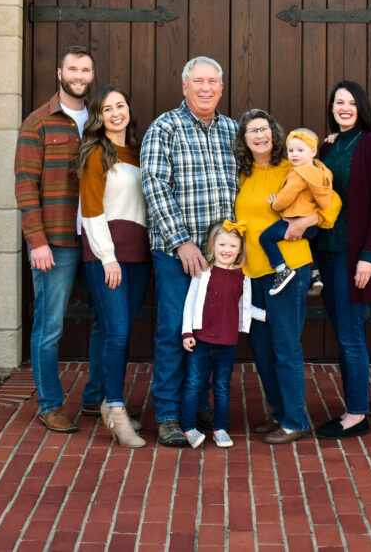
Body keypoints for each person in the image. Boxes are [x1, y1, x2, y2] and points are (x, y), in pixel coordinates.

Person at [140, 56, 239, 447]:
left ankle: (193, 405)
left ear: (221, 88)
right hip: (176, 253)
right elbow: (154, 186)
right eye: (197, 81)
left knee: (210, 335)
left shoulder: (233, 130)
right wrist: (182, 242)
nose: (205, 88)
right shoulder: (165, 128)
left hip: (220, 262)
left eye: (212, 81)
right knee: (172, 332)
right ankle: (166, 413)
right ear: (184, 86)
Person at [233, 110, 340, 444]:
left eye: (264, 129)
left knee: (284, 345)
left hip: (289, 269)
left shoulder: (292, 167)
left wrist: (304, 222)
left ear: (274, 133)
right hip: (253, 272)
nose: (260, 136)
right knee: (262, 347)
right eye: (252, 131)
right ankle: (279, 413)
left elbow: (332, 204)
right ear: (244, 138)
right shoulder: (241, 172)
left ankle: (295, 421)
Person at [14, 44, 102, 433]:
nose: (79, 75)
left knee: (108, 319)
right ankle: (50, 404)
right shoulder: (39, 123)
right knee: (49, 327)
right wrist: (37, 241)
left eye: (85, 69)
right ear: (59, 73)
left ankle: (95, 398)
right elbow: (25, 185)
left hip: (97, 241)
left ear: (91, 75)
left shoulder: (100, 121)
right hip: (58, 242)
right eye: (73, 69)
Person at [313, 81, 371, 440]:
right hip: (327, 255)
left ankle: (357, 413)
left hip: (353, 257)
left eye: (350, 103)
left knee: (350, 335)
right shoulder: (330, 146)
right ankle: (354, 405)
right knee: (344, 333)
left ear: (361, 107)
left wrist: (369, 257)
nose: (344, 108)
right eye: (338, 102)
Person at [76, 85, 150, 448]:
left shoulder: (139, 152)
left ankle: (107, 399)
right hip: (108, 257)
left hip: (139, 256)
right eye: (108, 108)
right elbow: (91, 210)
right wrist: (108, 257)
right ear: (99, 117)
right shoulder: (95, 154)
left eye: (121, 105)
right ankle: (117, 410)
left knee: (116, 331)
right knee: (117, 332)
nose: (116, 112)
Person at [180, 220, 265, 449]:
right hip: (200, 339)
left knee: (222, 386)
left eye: (232, 246)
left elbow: (245, 308)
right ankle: (188, 427)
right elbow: (190, 303)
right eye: (222, 245)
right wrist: (187, 331)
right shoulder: (203, 272)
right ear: (212, 245)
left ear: (239, 250)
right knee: (194, 383)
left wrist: (267, 315)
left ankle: (219, 428)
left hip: (227, 342)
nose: (227, 250)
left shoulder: (242, 277)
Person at [259, 128, 334, 296]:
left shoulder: (299, 173)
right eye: (291, 150)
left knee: (265, 238)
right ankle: (316, 274)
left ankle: (281, 268)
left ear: (313, 151)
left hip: (296, 220)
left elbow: (285, 198)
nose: (294, 154)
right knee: (309, 243)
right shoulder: (321, 170)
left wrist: (274, 204)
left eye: (300, 150)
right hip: (313, 226)